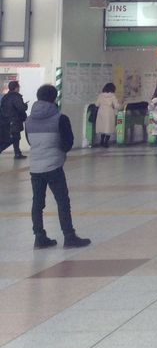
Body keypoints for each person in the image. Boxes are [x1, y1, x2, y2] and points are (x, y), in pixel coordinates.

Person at [25, 84, 90, 249]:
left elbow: (29, 141)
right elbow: (68, 143)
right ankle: (69, 236)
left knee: (37, 202)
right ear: (54, 98)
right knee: (62, 201)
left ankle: (39, 237)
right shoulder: (60, 118)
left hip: (35, 167)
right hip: (54, 165)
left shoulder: (29, 120)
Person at [0, 80, 28, 159]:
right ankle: (17, 153)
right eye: (18, 87)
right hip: (14, 121)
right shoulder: (16, 96)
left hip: (5, 121)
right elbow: (21, 108)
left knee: (14, 137)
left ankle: (17, 153)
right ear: (16, 88)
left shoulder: (5, 97)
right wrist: (25, 106)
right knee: (12, 138)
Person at [94, 83, 120, 148]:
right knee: (109, 127)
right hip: (109, 112)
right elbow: (116, 106)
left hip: (101, 111)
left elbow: (96, 104)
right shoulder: (113, 96)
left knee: (102, 127)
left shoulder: (100, 95)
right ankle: (106, 142)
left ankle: (102, 141)